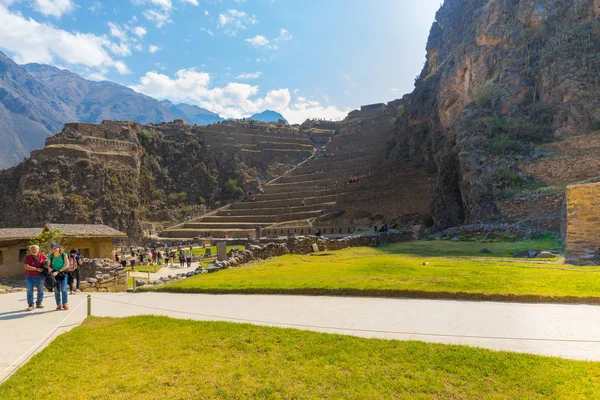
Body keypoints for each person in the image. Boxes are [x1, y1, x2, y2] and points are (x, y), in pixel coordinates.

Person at [24, 245, 48, 311]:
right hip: (29, 276)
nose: (33, 250)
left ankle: (39, 303)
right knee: (29, 290)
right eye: (32, 249)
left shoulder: (43, 256)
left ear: (38, 250)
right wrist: (37, 269)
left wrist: (46, 265)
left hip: (40, 276)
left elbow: (48, 264)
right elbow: (26, 267)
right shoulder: (28, 257)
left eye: (35, 249)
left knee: (40, 290)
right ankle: (31, 305)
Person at [48, 243, 69, 311]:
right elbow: (48, 265)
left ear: (59, 248)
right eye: (53, 248)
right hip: (54, 274)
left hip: (62, 273)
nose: (54, 249)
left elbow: (67, 265)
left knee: (63, 289)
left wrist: (58, 271)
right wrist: (49, 269)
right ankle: (58, 304)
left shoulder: (64, 255)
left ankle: (65, 303)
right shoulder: (50, 256)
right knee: (57, 290)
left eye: (56, 247)